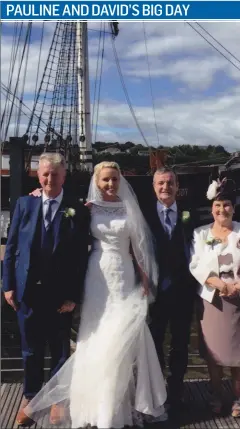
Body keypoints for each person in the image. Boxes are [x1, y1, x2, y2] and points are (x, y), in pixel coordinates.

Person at [24, 161, 167, 428]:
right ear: (97, 182)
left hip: (124, 275)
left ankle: (116, 405)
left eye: (114, 179)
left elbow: (138, 246)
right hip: (96, 276)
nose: (110, 185)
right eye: (105, 180)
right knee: (95, 334)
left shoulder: (129, 208)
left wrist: (145, 277)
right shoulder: (85, 209)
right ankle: (91, 404)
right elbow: (67, 235)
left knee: (123, 334)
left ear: (120, 180)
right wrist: (36, 194)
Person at [2, 153, 89, 426]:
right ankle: (30, 396)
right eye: (45, 174)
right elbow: (12, 246)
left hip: (60, 294)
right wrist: (8, 286)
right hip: (28, 289)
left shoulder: (77, 209)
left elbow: (80, 258)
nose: (50, 179)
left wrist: (75, 296)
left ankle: (56, 399)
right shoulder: (25, 204)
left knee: (60, 348)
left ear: (64, 176)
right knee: (30, 348)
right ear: (38, 176)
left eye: (55, 174)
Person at [190, 177, 240, 417]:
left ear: (234, 207)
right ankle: (215, 395)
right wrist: (220, 285)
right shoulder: (200, 234)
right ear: (212, 208)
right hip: (214, 301)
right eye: (218, 205)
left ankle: (239, 397)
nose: (222, 210)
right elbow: (196, 265)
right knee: (214, 354)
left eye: (226, 205)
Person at [143, 167, 196, 411]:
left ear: (177, 186)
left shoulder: (190, 213)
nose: (166, 187)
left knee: (180, 343)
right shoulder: (144, 215)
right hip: (154, 293)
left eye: (170, 183)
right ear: (154, 187)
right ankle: (157, 389)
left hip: (183, 291)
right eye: (161, 184)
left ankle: (176, 388)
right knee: (154, 344)